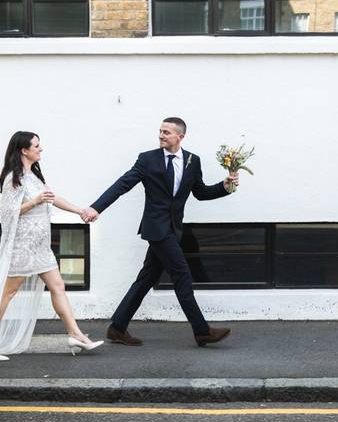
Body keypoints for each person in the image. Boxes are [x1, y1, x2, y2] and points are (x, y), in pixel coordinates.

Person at [0, 131, 103, 372]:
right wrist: (36, 201)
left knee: (58, 286)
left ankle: (76, 334)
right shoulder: (13, 178)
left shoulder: (34, 176)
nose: (41, 149)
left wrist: (80, 211)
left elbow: (52, 198)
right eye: (36, 146)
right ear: (23, 150)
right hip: (22, 246)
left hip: (41, 246)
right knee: (7, 294)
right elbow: (8, 212)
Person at [80, 117, 239, 347]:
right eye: (160, 131)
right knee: (182, 274)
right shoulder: (148, 159)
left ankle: (117, 327)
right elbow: (123, 184)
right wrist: (96, 207)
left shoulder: (193, 161)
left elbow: (200, 192)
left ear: (180, 136)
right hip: (156, 229)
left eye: (166, 132)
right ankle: (202, 331)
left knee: (146, 279)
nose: (161, 135)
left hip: (174, 229)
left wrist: (224, 187)